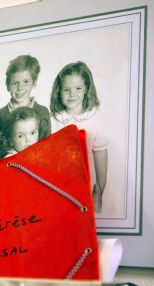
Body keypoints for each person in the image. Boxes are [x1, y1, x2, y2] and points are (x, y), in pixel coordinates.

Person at [49, 61, 108, 212]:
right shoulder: (52, 120)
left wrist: (98, 194)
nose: (72, 94)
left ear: (87, 89)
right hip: (58, 191)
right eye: (66, 89)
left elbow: (101, 164)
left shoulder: (96, 121)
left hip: (86, 193)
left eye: (78, 88)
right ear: (59, 91)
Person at [0, 55, 50, 149]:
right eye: (15, 83)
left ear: (34, 83)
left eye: (26, 82)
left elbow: (46, 145)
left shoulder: (42, 112)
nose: (20, 88)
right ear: (8, 86)